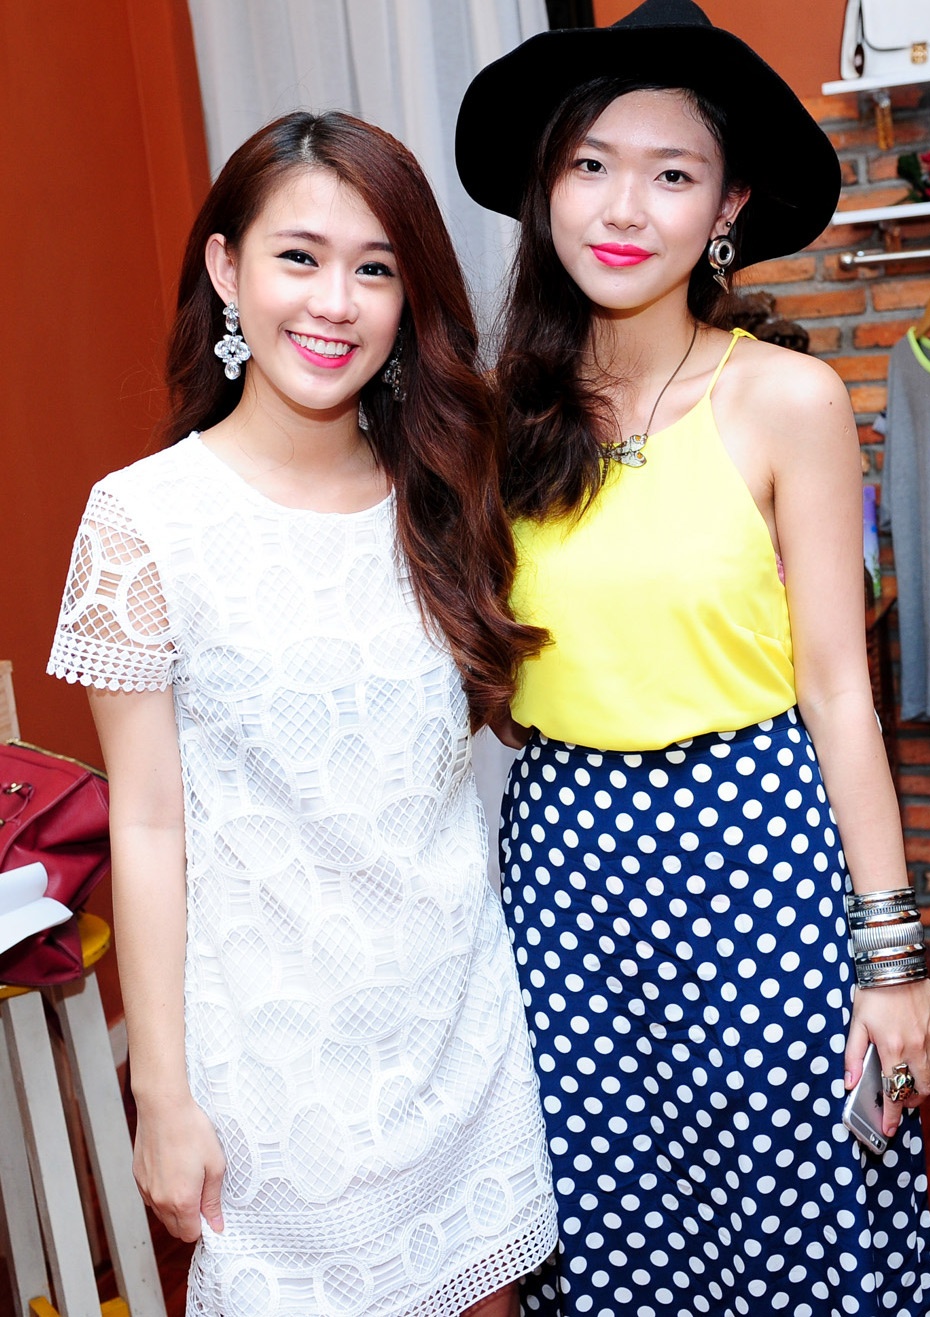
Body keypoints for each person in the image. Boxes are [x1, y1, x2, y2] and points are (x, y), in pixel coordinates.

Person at [455, 3, 930, 1314]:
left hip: (755, 854)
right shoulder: (497, 420)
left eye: (669, 174)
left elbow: (837, 689)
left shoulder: (782, 399)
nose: (624, 207)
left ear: (724, 206)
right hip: (563, 871)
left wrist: (891, 958)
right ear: (546, 186)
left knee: (798, 1213)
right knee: (607, 1224)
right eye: (590, 164)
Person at [48, 109, 557, 1317]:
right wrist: (162, 1095)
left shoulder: (444, 488)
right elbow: (149, 827)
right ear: (227, 269)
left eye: (374, 269)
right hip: (277, 1080)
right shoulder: (144, 522)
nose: (335, 302)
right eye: (299, 257)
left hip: (464, 1042)